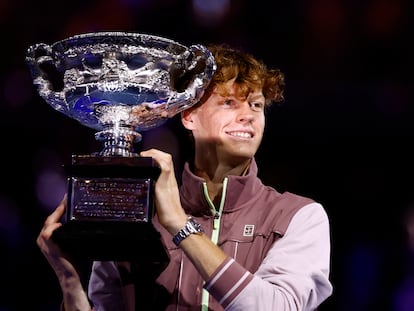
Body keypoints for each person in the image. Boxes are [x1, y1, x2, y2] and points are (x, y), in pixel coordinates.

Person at [37, 43, 333, 311]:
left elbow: (276, 307)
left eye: (255, 104)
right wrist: (69, 282)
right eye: (229, 102)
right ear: (189, 115)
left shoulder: (299, 216)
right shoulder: (138, 214)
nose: (248, 115)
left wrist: (180, 224)